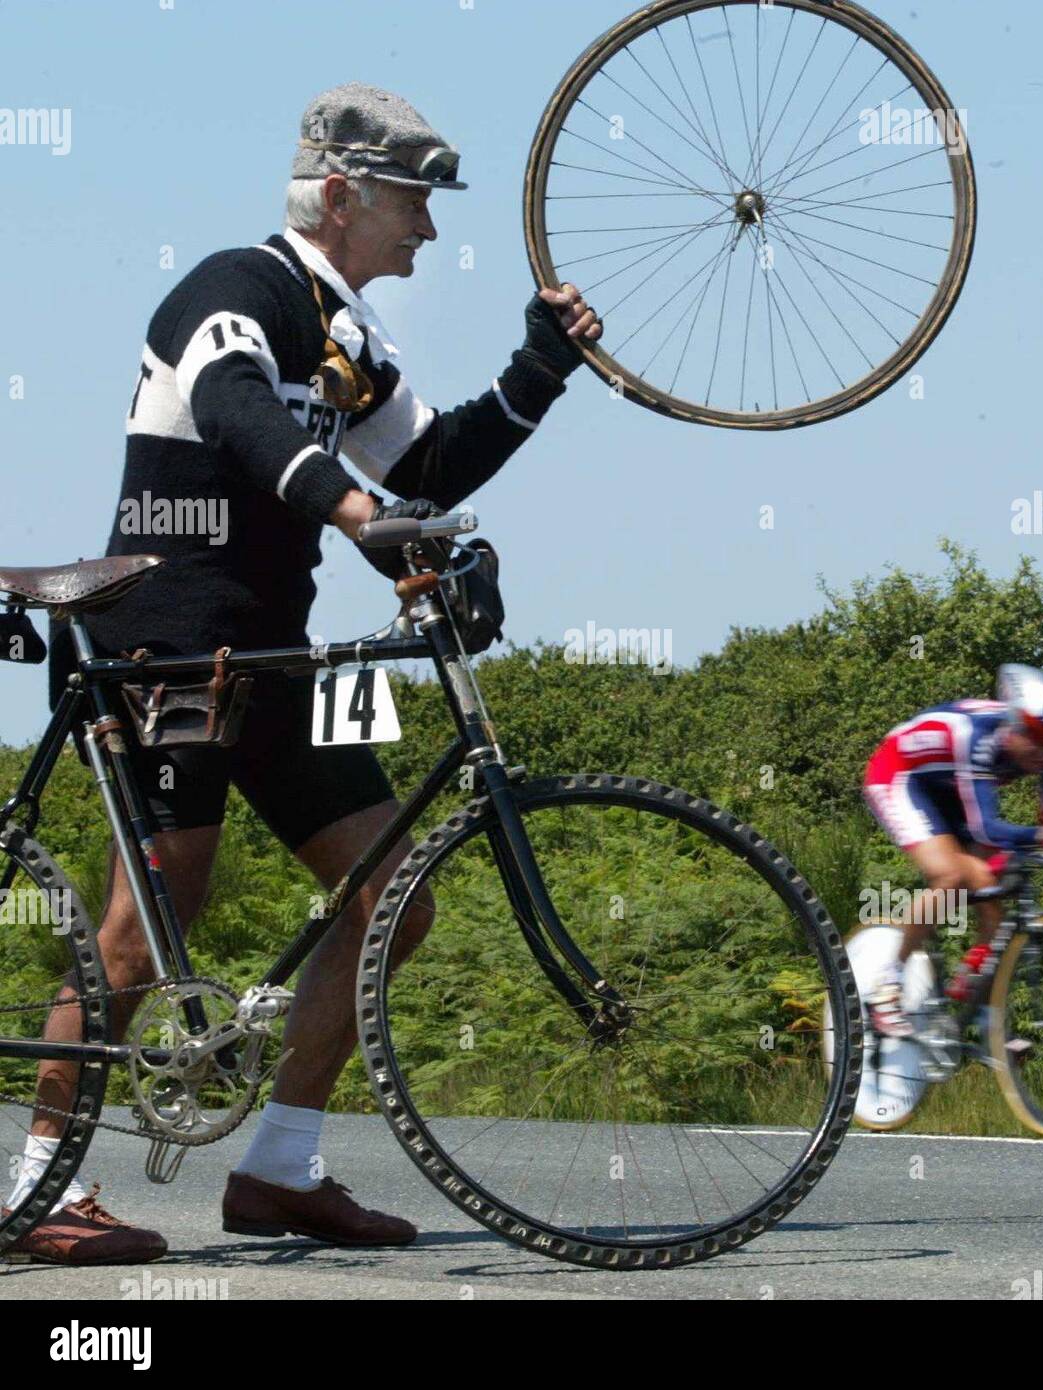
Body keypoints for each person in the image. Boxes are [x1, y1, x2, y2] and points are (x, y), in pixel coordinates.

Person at [7, 82, 603, 1264]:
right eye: (412, 206)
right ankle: (37, 1196)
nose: (428, 231)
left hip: (279, 656)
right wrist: (356, 513)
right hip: (166, 649)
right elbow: (236, 414)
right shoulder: (233, 290)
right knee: (139, 935)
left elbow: (427, 459)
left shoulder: (348, 341)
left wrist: (540, 369)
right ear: (341, 194)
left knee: (397, 896)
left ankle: (279, 1168)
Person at [861, 663, 1043, 1037]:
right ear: (1013, 724)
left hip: (949, 788)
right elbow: (987, 828)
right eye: (1039, 738)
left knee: (990, 880)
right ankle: (887, 985)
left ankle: (977, 999)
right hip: (900, 775)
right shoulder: (976, 737)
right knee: (950, 875)